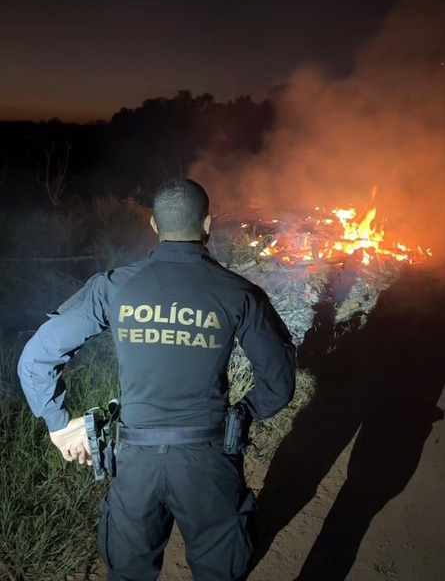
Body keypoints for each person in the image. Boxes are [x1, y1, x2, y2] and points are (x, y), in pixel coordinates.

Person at [17, 178, 296, 581]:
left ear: (153, 224)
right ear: (207, 225)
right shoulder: (240, 293)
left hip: (135, 466)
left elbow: (36, 358)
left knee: (128, 572)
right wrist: (243, 414)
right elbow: (279, 383)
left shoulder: (113, 287)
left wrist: (59, 425)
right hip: (209, 461)